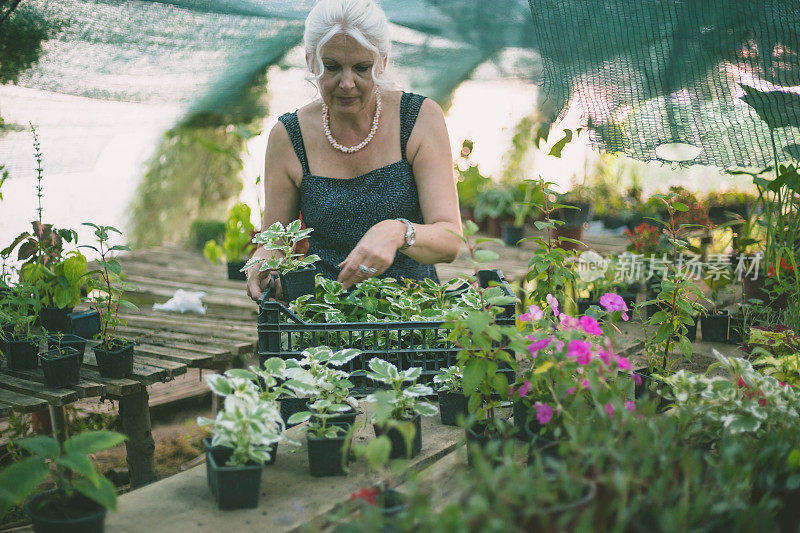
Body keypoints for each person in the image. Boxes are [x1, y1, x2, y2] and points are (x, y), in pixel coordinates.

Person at [246, 0, 461, 301]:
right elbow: (277, 239)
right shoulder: (289, 136)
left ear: (383, 61)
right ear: (311, 61)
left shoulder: (418, 118)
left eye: (362, 67)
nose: (347, 83)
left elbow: (450, 240)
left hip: (412, 315)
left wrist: (397, 232)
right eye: (332, 67)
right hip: (325, 317)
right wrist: (264, 259)